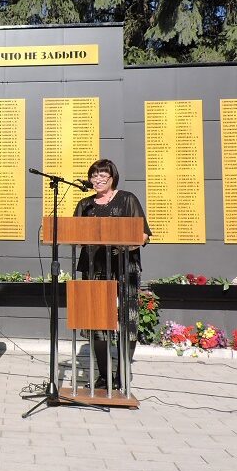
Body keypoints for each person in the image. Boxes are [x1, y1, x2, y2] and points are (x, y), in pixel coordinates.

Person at [73, 158, 151, 389]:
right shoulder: (85, 205)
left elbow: (143, 235)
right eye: (93, 176)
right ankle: (104, 375)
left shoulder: (127, 199)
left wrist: (122, 243)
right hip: (95, 269)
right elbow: (75, 235)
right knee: (97, 322)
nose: (97, 179)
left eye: (102, 175)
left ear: (112, 177)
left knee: (128, 320)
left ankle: (122, 375)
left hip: (124, 268)